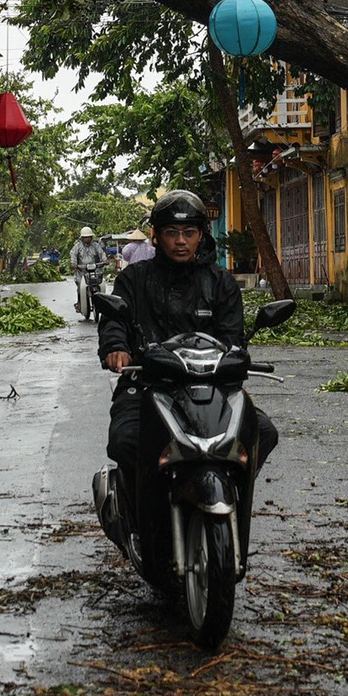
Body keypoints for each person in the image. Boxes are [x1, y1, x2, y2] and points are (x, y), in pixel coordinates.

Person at [97, 191, 278, 556]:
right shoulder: (134, 279)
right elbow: (115, 320)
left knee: (262, 431)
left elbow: (233, 338)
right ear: (156, 236)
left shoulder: (220, 282)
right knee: (127, 439)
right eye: (171, 232)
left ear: (201, 235)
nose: (181, 241)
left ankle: (228, 492)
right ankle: (137, 522)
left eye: (189, 232)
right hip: (146, 384)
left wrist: (238, 357)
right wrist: (116, 348)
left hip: (209, 387)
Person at [68, 226, 110, 319]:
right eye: (85, 237)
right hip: (81, 271)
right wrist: (74, 263)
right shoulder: (77, 246)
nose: (87, 239)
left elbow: (101, 253)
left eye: (88, 237)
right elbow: (73, 254)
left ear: (91, 237)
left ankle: (102, 303)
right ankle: (80, 303)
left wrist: (105, 260)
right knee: (80, 287)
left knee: (100, 283)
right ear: (82, 238)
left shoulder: (96, 245)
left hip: (94, 270)